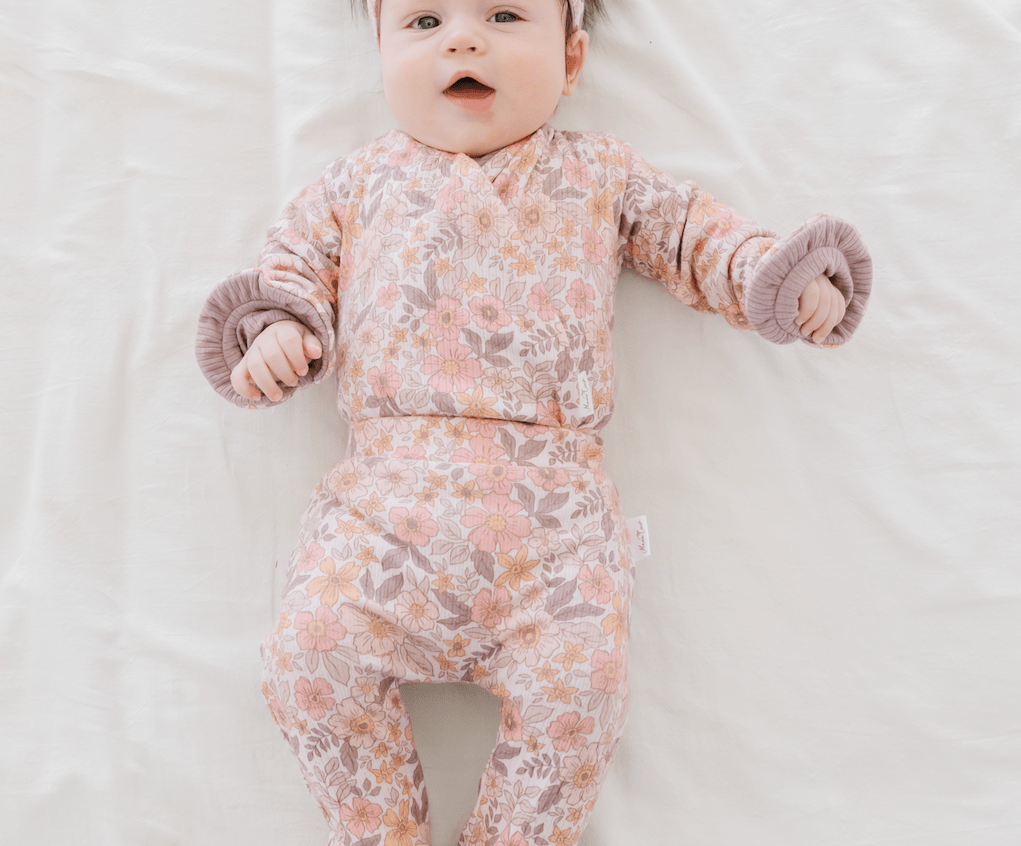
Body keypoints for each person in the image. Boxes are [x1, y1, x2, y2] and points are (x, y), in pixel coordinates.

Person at [196, 1, 872, 843]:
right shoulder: (356, 185)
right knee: (305, 660)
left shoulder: (600, 177)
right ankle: (381, 829)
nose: (462, 38)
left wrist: (777, 274)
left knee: (586, 691)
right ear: (378, 50)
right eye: (423, 21)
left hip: (553, 535)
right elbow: (290, 266)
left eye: (505, 14)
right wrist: (274, 331)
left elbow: (695, 236)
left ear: (572, 60)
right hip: (382, 518)